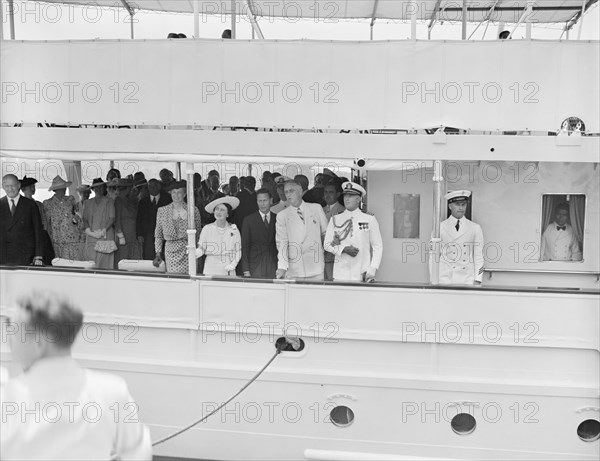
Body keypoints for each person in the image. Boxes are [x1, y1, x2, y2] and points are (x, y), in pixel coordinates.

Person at [0, 291, 152, 459]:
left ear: (39, 342)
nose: (8, 339)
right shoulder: (113, 391)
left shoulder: (8, 397)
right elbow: (138, 452)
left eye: (12, 330)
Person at [324, 182, 383, 282]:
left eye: (350, 196)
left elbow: (378, 246)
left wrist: (372, 269)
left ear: (359, 199)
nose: (347, 198)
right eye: (345, 195)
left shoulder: (369, 218)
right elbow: (326, 244)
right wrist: (343, 249)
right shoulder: (335, 218)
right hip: (341, 273)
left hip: (361, 271)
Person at [275, 180, 328, 280]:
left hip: (315, 265)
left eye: (291, 191)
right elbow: (282, 243)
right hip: (295, 267)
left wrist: (321, 252)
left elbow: (326, 234)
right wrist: (282, 266)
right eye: (286, 192)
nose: (288, 194)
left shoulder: (316, 208)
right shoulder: (282, 215)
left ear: (300, 191)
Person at [431, 190, 484, 285]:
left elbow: (478, 256)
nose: (461, 208)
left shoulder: (475, 228)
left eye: (463, 204)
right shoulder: (439, 228)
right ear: (450, 206)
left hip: (467, 278)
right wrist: (433, 279)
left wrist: (478, 279)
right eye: (457, 204)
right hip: (445, 278)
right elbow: (433, 256)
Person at [153, 180, 201, 274]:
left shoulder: (193, 210)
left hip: (189, 251)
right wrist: (158, 253)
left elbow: (198, 233)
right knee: (174, 280)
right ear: (170, 193)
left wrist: (197, 251)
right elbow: (158, 234)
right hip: (171, 252)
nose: (176, 195)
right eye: (174, 192)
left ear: (184, 194)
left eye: (179, 192)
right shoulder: (162, 211)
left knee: (189, 280)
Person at [0, 174, 44, 266]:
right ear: (3, 187)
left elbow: (38, 231)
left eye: (13, 185)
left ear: (19, 185)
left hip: (26, 255)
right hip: (3, 255)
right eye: (7, 186)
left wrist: (38, 255)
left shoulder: (30, 205)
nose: (10, 189)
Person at [196, 196, 241, 276]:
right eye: (217, 209)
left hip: (227, 267)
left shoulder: (233, 230)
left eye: (222, 210)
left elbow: (238, 250)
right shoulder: (207, 228)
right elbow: (202, 248)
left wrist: (233, 264)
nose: (218, 212)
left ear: (227, 214)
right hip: (210, 267)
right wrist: (195, 252)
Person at [241, 188, 278, 279]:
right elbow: (245, 245)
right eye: (259, 201)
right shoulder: (248, 220)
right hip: (255, 265)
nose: (262, 204)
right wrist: (246, 270)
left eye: (265, 200)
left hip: (274, 265)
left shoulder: (277, 218)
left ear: (271, 200)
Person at [43, 175, 81, 260]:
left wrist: (75, 220)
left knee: (74, 263)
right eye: (61, 188)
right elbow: (47, 223)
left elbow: (77, 215)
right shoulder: (48, 203)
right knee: (60, 263)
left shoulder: (70, 200)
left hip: (72, 238)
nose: (64, 189)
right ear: (55, 190)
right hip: (57, 240)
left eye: (64, 187)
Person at [20, 176, 55, 266]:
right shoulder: (20, 205)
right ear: (23, 189)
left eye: (34, 186)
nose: (33, 189)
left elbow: (45, 222)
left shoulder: (39, 204)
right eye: (31, 187)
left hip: (40, 236)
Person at [83, 178, 116, 269]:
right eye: (96, 188)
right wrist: (89, 231)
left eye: (101, 187)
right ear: (92, 189)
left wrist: (103, 230)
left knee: (105, 263)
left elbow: (112, 218)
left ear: (104, 188)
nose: (98, 189)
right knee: (91, 262)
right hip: (91, 236)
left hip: (105, 235)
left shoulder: (109, 202)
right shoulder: (87, 202)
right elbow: (84, 219)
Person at [137, 178, 172, 260]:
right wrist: (139, 234)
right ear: (148, 188)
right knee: (148, 255)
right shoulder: (143, 202)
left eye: (155, 186)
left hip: (164, 233)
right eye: (150, 186)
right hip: (148, 233)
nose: (153, 188)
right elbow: (139, 219)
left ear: (159, 186)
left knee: (163, 256)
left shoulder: (167, 199)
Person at [322, 179, 345, 281]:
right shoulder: (320, 210)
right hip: (320, 255)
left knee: (332, 282)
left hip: (333, 256)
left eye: (331, 192)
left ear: (338, 194)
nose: (327, 195)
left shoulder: (342, 211)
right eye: (325, 192)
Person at [114, 177, 141, 262]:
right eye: (130, 187)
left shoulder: (131, 200)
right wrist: (121, 236)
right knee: (123, 260)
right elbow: (116, 220)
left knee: (133, 260)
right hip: (124, 236)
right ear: (126, 188)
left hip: (133, 235)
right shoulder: (118, 200)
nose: (131, 189)